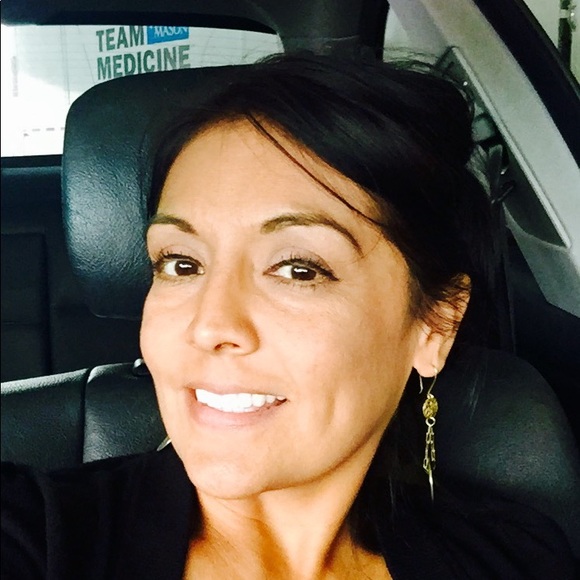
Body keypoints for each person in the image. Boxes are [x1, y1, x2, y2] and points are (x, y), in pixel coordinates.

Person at [1, 52, 575, 579]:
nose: (210, 325)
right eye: (181, 264)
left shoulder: (515, 561)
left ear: (436, 323)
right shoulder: (35, 538)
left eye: (299, 270)